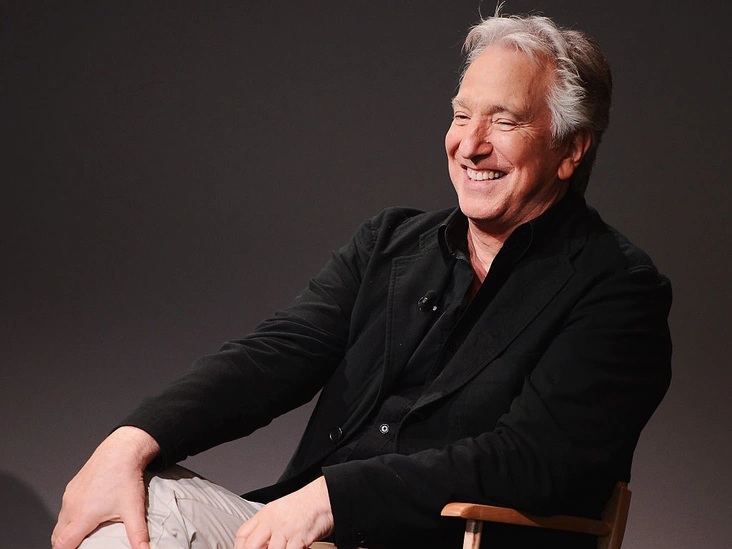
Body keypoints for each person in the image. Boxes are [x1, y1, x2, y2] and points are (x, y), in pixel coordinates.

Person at [52, 11, 672, 549]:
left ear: (571, 149)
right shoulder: (389, 243)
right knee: (132, 504)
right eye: (461, 116)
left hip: (430, 539)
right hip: (302, 532)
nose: (470, 145)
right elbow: (270, 358)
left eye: (504, 122)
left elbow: (535, 461)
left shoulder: (617, 290)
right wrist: (131, 441)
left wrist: (332, 498)